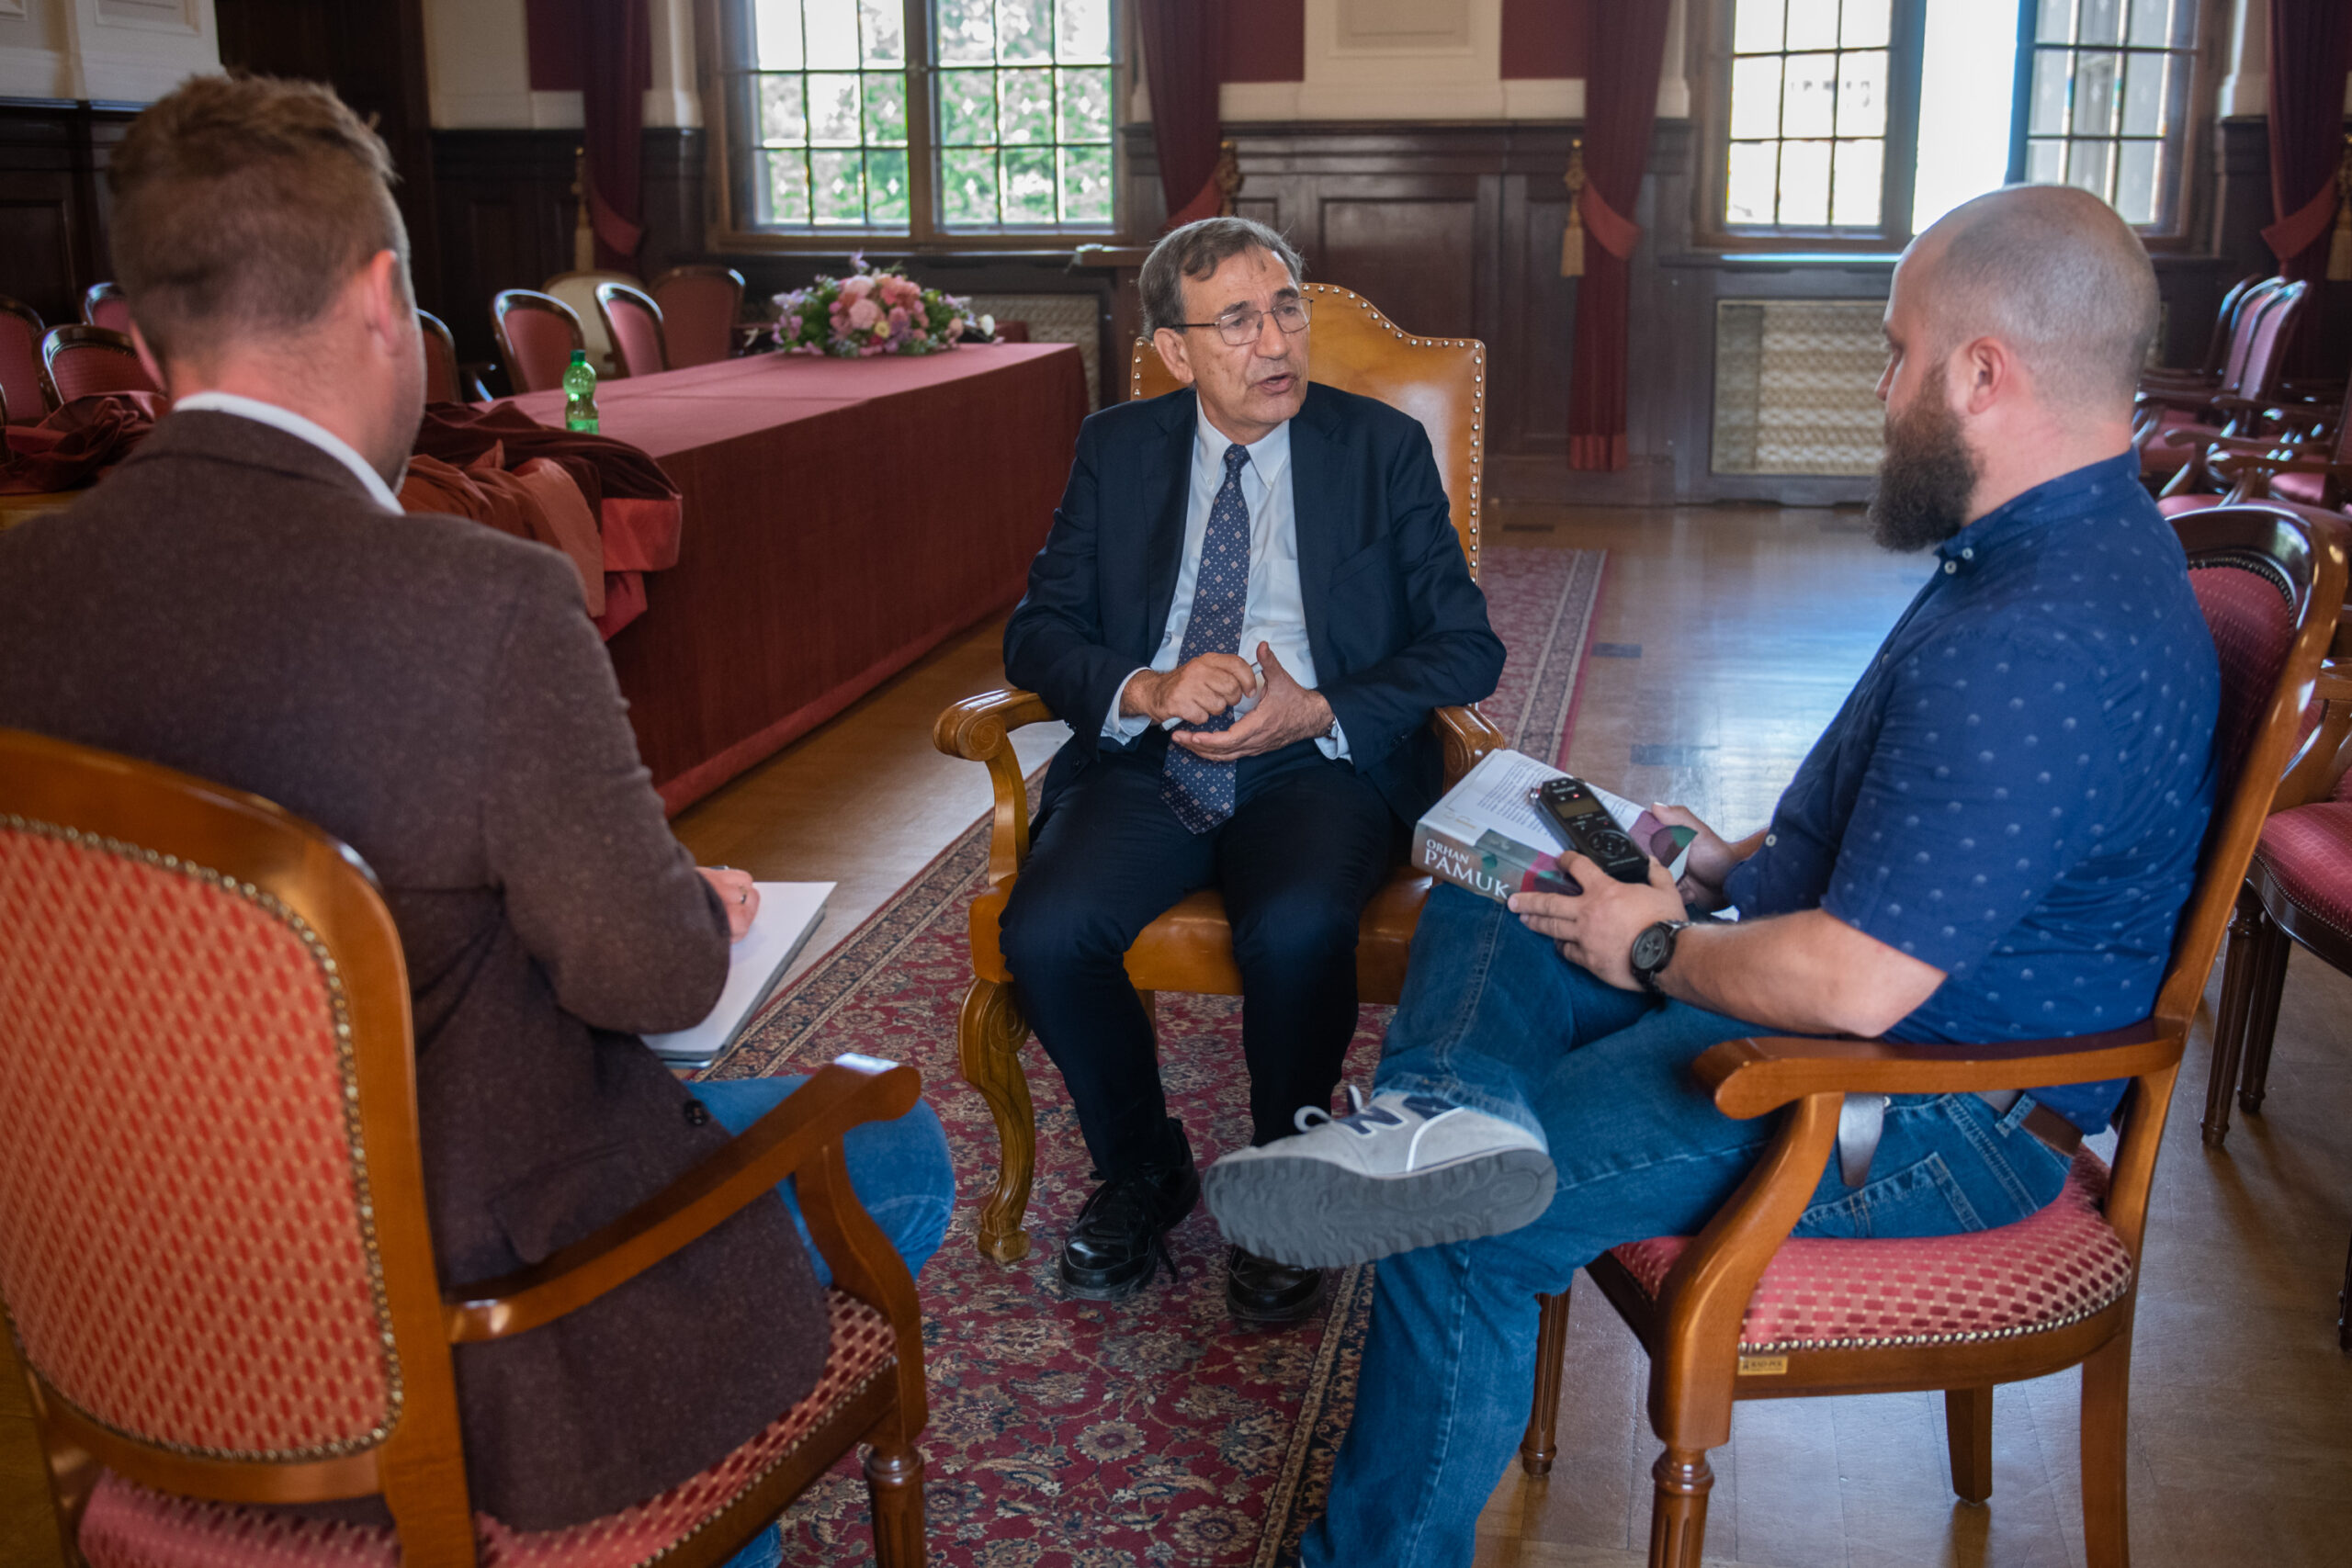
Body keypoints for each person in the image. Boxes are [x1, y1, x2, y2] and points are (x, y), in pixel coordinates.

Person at [0, 75, 953, 1554]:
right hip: (469, 1351)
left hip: (124, 1314)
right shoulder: (480, 604)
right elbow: (656, 979)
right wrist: (686, 900)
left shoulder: (21, 594)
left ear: (139, 324)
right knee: (889, 1150)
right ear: (385, 297)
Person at [1204, 185, 2219, 1565]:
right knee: (1501, 884)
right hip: (1854, 992)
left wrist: (1659, 946)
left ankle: (1428, 1238)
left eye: (1897, 352)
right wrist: (1727, 861)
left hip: (1926, 1104)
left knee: (1457, 1229)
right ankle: (1445, 1115)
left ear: (1987, 375)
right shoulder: (2050, 545)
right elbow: (1939, 846)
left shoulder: (2037, 635)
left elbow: (1859, 981)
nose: (1881, 388)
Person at [999, 217, 1506, 1320]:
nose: (1275, 341)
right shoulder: (1116, 447)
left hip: (1317, 762)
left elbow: (1468, 646)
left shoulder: (1377, 447)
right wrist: (1144, 687)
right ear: (1177, 352)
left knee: (1295, 925)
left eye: (1286, 309)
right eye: (1236, 320)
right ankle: (1142, 1166)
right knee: (1044, 926)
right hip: (1154, 756)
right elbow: (1036, 634)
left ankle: (1285, 1172)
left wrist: (1319, 708)